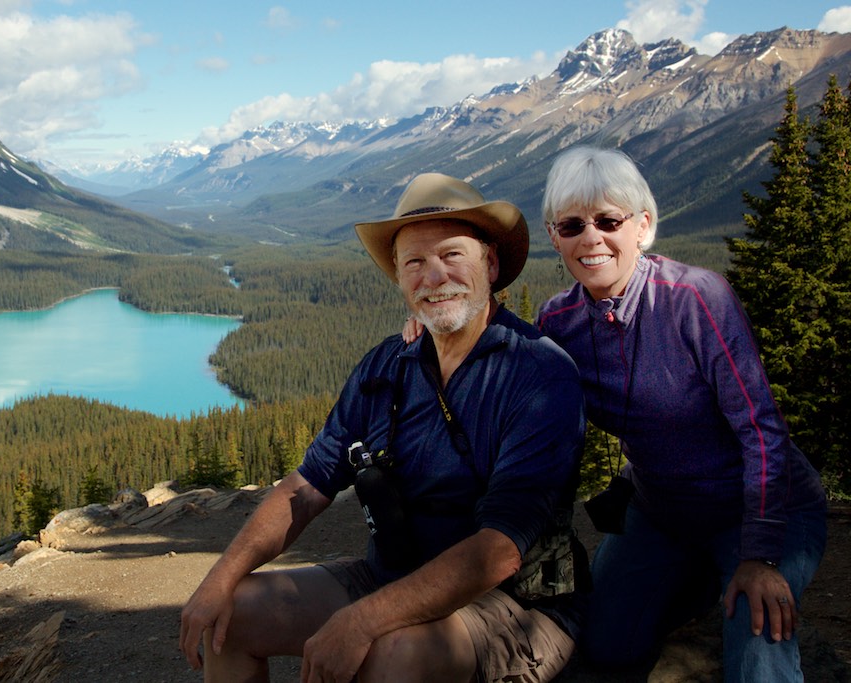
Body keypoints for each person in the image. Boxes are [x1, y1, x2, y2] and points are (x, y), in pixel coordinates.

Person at [179, 172, 586, 683]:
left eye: (453, 255)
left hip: (512, 606)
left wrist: (361, 621)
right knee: (230, 614)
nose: (434, 276)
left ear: (492, 263)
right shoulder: (386, 368)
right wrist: (221, 577)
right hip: (390, 578)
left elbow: (500, 551)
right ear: (398, 276)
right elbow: (306, 487)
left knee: (393, 653)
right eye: (414, 261)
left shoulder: (537, 374)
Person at [534, 146, 828, 681]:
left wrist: (759, 557)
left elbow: (761, 430)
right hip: (661, 513)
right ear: (555, 237)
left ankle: (723, 577)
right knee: (605, 643)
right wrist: (434, 324)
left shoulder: (696, 300)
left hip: (764, 511)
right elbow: (509, 365)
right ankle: (694, 581)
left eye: (608, 220)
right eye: (572, 224)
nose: (591, 238)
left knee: (758, 653)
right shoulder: (558, 321)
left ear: (643, 226)